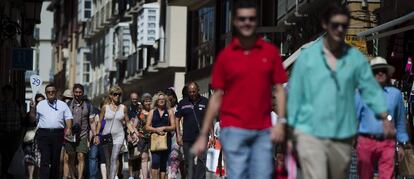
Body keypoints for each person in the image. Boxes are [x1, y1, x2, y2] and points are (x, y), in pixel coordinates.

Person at [286, 4, 394, 179]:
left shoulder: (354, 59)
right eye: (335, 24)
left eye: (344, 25)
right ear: (325, 25)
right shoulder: (308, 58)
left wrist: (386, 118)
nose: (339, 29)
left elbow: (371, 91)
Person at [192, 1, 288, 178]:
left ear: (256, 21)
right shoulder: (226, 56)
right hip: (233, 129)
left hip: (263, 130)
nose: (247, 23)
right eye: (242, 19)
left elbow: (280, 89)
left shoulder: (270, 52)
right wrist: (204, 134)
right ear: (235, 22)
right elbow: (216, 97)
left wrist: (281, 122)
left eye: (251, 19)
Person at [356, 57, 409, 179]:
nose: (380, 73)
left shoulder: (395, 94)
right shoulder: (361, 94)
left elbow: (400, 121)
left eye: (383, 70)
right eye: (376, 70)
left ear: (387, 74)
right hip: (365, 142)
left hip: (387, 142)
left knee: (387, 176)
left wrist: (402, 143)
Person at [94, 86, 139, 179]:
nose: (117, 96)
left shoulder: (123, 108)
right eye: (115, 94)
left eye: (119, 94)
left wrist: (133, 133)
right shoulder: (105, 107)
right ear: (110, 95)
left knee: (114, 158)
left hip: (119, 135)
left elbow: (127, 122)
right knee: (108, 160)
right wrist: (97, 135)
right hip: (106, 136)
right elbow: (99, 122)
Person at [35, 84, 73, 179]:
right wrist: (32, 107)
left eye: (53, 92)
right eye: (48, 92)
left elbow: (68, 117)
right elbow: (34, 119)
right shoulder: (40, 104)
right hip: (43, 134)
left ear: (56, 93)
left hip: (57, 134)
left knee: (55, 160)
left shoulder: (62, 105)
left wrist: (69, 128)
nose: (51, 93)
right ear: (46, 93)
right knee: (44, 159)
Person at [175, 82, 208, 179]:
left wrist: (212, 136)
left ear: (198, 90)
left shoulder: (205, 101)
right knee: (189, 163)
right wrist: (178, 135)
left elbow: (208, 119)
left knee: (202, 161)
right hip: (187, 138)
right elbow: (177, 119)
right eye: (190, 92)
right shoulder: (182, 103)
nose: (192, 94)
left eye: (194, 91)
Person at [65, 84, 95, 179]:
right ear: (73, 93)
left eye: (80, 92)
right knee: (71, 158)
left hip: (83, 134)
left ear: (83, 93)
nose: (78, 94)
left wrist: (95, 135)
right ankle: (73, 176)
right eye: (76, 92)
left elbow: (92, 122)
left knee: (81, 156)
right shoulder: (68, 105)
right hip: (70, 135)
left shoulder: (88, 105)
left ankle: (80, 177)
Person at [145, 91, 176, 179]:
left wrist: (164, 128)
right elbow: (147, 127)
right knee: (155, 162)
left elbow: (173, 126)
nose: (161, 101)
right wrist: (156, 130)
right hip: (155, 140)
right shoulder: (152, 111)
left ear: (165, 101)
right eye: (159, 99)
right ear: (156, 101)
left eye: (163, 99)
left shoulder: (169, 111)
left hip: (166, 139)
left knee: (164, 163)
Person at [0, 85, 25, 178]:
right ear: (3, 94)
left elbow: (23, 119)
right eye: (5, 93)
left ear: (12, 94)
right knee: (4, 156)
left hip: (14, 135)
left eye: (9, 93)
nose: (7, 95)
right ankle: (5, 174)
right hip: (3, 135)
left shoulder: (17, 105)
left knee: (13, 156)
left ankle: (10, 175)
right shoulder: (1, 105)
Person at [24, 93, 45, 179]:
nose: (40, 103)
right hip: (31, 141)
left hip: (43, 140)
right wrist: (32, 108)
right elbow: (31, 120)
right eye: (38, 101)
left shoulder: (48, 113)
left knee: (40, 163)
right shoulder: (31, 113)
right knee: (31, 161)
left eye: (42, 101)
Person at [136, 93, 152, 179]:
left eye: (149, 101)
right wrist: (136, 133)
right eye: (146, 101)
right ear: (143, 102)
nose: (148, 103)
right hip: (142, 138)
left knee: (153, 158)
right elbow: (135, 124)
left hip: (153, 137)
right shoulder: (140, 113)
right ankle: (145, 177)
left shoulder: (154, 111)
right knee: (144, 158)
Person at [127, 92, 142, 179]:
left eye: (136, 99)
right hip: (130, 134)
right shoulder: (128, 109)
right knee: (131, 156)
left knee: (139, 156)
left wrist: (140, 110)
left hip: (139, 134)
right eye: (133, 99)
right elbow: (127, 121)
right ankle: (131, 175)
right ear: (130, 99)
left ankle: (138, 175)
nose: (135, 101)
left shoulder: (140, 108)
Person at [61, 88, 73, 178]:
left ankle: (65, 176)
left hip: (69, 137)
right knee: (60, 159)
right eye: (65, 98)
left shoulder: (73, 109)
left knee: (67, 158)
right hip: (59, 136)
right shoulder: (59, 107)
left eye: (69, 98)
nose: (67, 100)